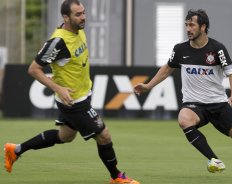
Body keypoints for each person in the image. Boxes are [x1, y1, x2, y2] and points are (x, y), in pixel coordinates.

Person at [4, 0, 140, 183]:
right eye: (78, 14)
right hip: (74, 102)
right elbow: (33, 69)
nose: (83, 17)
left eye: (83, 12)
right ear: (66, 18)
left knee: (65, 136)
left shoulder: (78, 30)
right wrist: (58, 88)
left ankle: (15, 150)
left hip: (81, 95)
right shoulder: (59, 42)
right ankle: (116, 177)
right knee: (104, 135)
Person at [134, 9, 232, 179]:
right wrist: (148, 86)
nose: (188, 28)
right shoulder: (180, 49)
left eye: (192, 24)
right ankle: (214, 159)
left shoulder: (217, 49)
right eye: (186, 24)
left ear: (203, 27)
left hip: (218, 104)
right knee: (184, 119)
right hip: (194, 104)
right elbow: (167, 68)